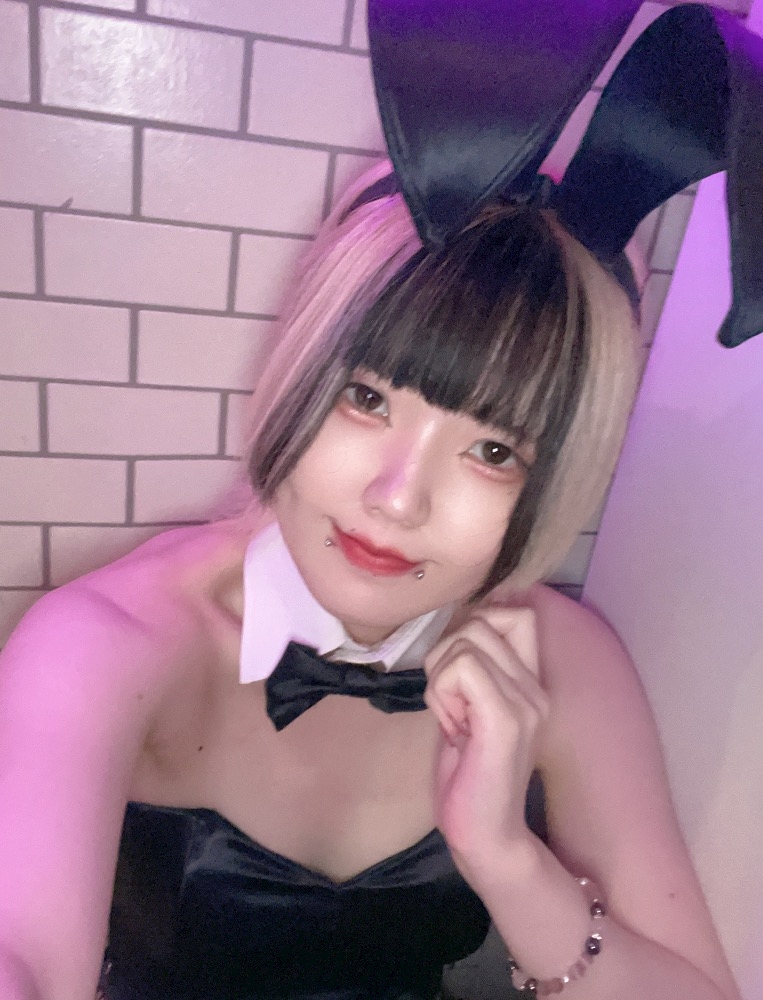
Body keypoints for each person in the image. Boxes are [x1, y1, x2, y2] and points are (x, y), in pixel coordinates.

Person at [0, 157, 740, 1000]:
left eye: (492, 450)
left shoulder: (565, 664)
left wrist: (506, 859)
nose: (396, 498)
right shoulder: (101, 644)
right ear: (299, 369)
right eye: (366, 398)